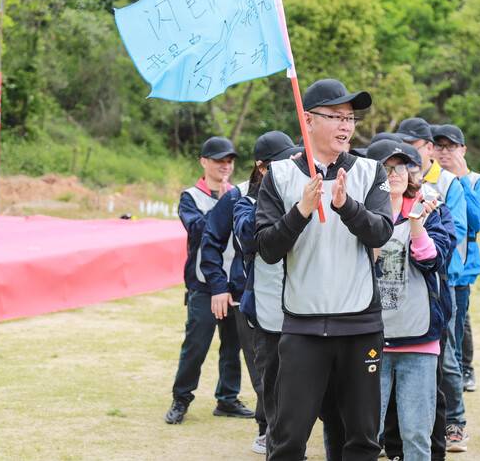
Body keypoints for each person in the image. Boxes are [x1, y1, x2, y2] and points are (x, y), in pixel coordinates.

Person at [255, 78, 394, 461]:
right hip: (303, 327)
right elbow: (266, 248)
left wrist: (346, 206)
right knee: (286, 440)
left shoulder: (370, 170)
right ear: (308, 120)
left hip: (360, 325)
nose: (346, 126)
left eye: (350, 117)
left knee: (363, 440)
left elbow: (381, 231)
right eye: (335, 116)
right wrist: (299, 211)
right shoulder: (280, 175)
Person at [366, 139, 451, 460]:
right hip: (369, 338)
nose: (395, 173)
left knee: (417, 433)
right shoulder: (355, 212)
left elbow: (434, 260)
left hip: (419, 340)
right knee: (366, 434)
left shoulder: (431, 207)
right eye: (387, 168)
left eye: (401, 166)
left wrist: (416, 223)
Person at [165, 136, 251, 425]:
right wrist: (226, 207)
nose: (225, 166)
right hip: (203, 284)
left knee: (233, 346)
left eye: (229, 161)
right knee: (196, 345)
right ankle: (181, 399)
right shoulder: (190, 196)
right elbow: (198, 228)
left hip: (234, 283)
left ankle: (227, 398)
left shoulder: (237, 194)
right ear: (203, 161)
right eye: (218, 160)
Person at [397, 118, 470, 452]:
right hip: (403, 300)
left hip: (446, 283)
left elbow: (458, 231)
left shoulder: (447, 184)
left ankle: (455, 422)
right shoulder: (388, 186)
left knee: (448, 359)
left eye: (416, 145)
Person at [232, 131, 299, 456]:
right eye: (281, 162)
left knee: (300, 381)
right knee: (270, 380)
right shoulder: (245, 202)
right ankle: (273, 437)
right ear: (261, 168)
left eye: (293, 159)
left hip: (304, 309)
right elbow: (249, 238)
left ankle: (290, 438)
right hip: (265, 309)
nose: (289, 166)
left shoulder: (301, 196)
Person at [432, 124, 480, 393]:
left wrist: (462, 180)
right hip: (436, 267)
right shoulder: (428, 177)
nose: (445, 152)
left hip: (463, 267)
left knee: (459, 323)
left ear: (463, 150)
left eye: (451, 147)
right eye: (440, 146)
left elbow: (479, 220)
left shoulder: (476, 181)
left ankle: (463, 372)